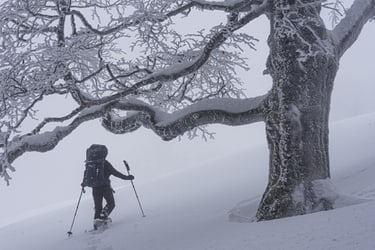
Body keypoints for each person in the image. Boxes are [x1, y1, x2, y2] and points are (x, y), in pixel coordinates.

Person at [81, 144, 134, 229]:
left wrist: (83, 184)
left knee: (98, 207)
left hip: (95, 189)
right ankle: (104, 215)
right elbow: (115, 173)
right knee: (111, 203)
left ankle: (96, 225)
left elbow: (86, 174)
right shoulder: (105, 163)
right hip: (105, 187)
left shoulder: (90, 164)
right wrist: (127, 178)